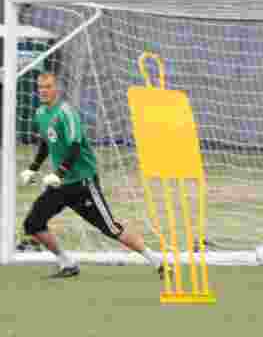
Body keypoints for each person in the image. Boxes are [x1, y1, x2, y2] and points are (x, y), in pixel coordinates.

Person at [19, 72, 166, 278]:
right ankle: (67, 263)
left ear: (56, 88)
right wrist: (33, 168)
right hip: (60, 185)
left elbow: (76, 145)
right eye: (40, 87)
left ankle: (157, 261)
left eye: (48, 86)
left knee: (110, 229)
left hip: (82, 183)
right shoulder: (41, 113)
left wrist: (59, 172)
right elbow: (46, 142)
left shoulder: (66, 112)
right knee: (32, 224)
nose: (43, 90)